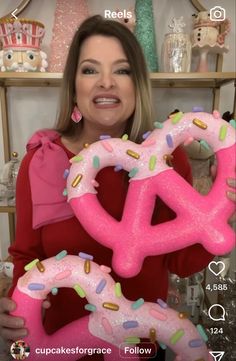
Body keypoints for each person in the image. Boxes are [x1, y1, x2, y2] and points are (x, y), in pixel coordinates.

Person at [0, 15, 235, 361]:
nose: (106, 82)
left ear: (136, 84)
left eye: (122, 70)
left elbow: (183, 262)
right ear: (74, 85)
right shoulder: (42, 161)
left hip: (139, 348)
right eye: (90, 70)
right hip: (57, 349)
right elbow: (25, 257)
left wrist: (224, 210)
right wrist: (11, 316)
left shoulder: (166, 161)